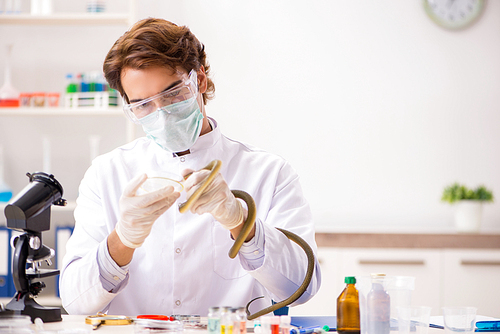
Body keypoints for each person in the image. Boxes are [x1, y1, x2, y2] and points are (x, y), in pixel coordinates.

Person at [59, 17, 321, 316]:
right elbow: (75, 302)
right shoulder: (107, 173)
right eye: (142, 105)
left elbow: (302, 287)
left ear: (200, 80)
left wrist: (241, 222)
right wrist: (123, 239)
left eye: (172, 94)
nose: (162, 114)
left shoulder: (269, 173)